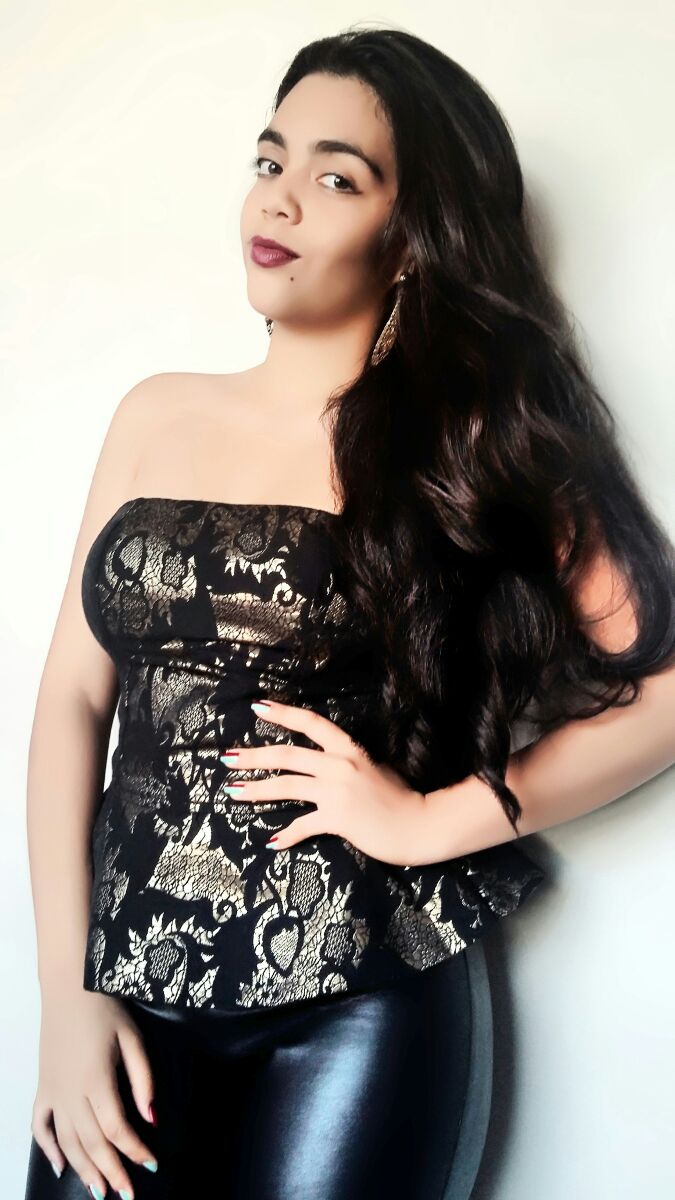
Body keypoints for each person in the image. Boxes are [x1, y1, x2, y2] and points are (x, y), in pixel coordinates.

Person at [24, 26, 675, 1200]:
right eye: (269, 161)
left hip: (366, 1005)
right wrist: (66, 997)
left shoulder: (471, 443)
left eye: (337, 178)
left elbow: (665, 691)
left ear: (413, 235)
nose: (278, 199)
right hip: (126, 992)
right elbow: (72, 700)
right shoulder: (155, 415)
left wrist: (430, 822)